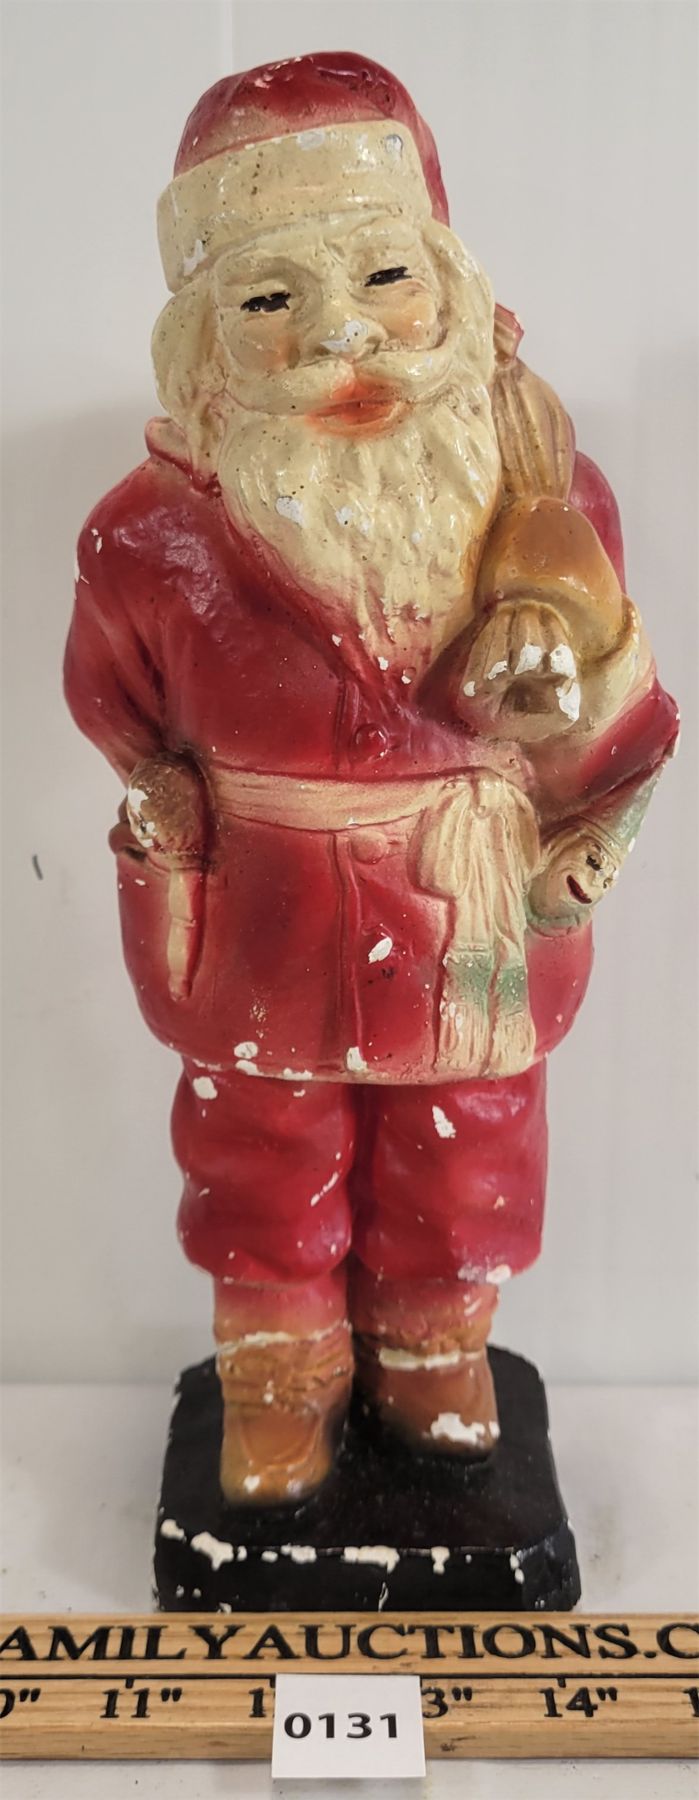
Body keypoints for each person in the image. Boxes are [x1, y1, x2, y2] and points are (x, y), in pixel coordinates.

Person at [65, 52, 677, 1505]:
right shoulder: (145, 537)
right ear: (204, 342)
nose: (341, 338)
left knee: (466, 1138)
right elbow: (115, 698)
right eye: (270, 301)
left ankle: (434, 1343)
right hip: (267, 903)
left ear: (452, 290)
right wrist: (164, 798)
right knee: (260, 1137)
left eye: (385, 279)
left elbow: (618, 720)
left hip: (465, 903)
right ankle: (279, 1369)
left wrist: (568, 674)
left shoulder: (541, 508)